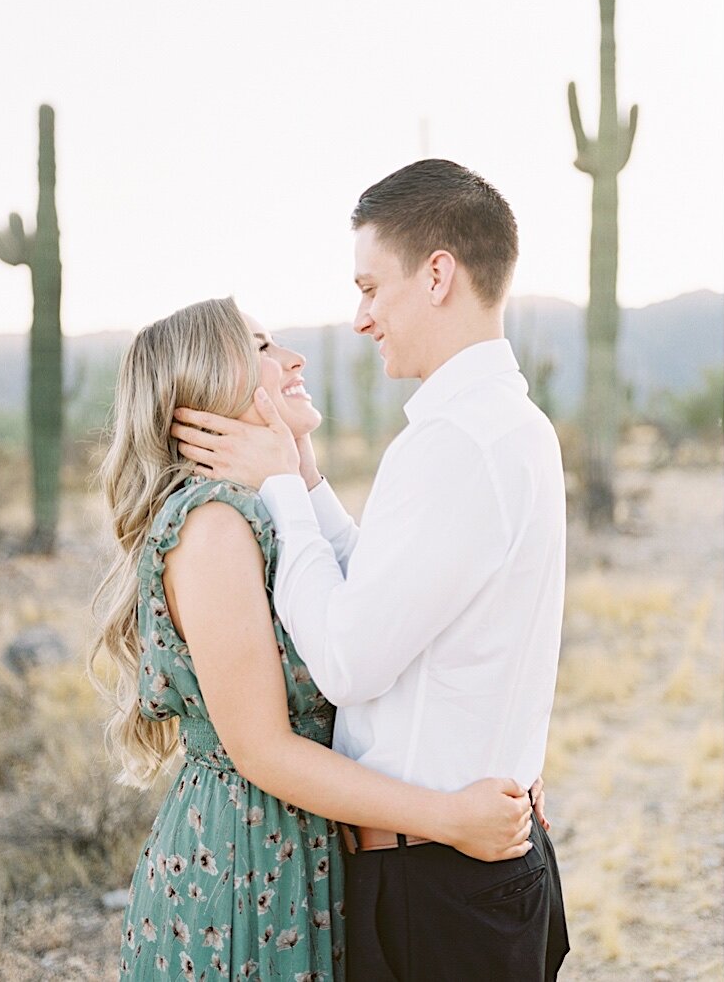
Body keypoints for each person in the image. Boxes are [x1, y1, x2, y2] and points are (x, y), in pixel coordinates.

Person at [170, 160, 570, 981]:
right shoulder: (506, 426)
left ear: (436, 275)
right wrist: (308, 479)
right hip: (468, 866)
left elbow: (348, 657)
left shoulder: (453, 444)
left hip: (435, 883)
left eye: (369, 287)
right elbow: (389, 592)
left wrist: (279, 484)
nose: (359, 318)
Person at [91, 298, 538, 980]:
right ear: (208, 384)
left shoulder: (261, 508)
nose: (294, 360)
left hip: (300, 845)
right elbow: (264, 750)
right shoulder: (213, 528)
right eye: (264, 348)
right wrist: (449, 818)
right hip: (243, 866)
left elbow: (376, 620)